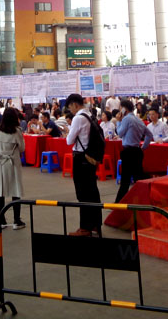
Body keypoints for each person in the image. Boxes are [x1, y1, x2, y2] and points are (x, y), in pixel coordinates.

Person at [65, 93, 101, 237]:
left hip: (80, 158)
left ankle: (85, 227)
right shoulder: (90, 115)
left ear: (75, 104)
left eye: (70, 107)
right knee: (92, 191)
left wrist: (68, 132)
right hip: (90, 157)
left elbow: (69, 141)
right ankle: (96, 224)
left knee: (83, 193)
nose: (71, 110)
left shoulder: (78, 118)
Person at [0, 107, 25, 229]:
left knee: (0, 191)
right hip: (12, 162)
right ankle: (16, 221)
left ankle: (2, 220)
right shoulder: (17, 131)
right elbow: (22, 148)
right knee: (16, 191)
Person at [115, 99, 151, 203]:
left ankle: (119, 203)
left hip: (128, 151)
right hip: (137, 151)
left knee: (125, 179)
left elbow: (120, 133)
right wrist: (143, 147)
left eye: (120, 108)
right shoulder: (138, 120)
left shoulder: (126, 119)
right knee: (138, 177)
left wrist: (118, 121)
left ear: (124, 109)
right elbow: (149, 135)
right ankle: (144, 200)